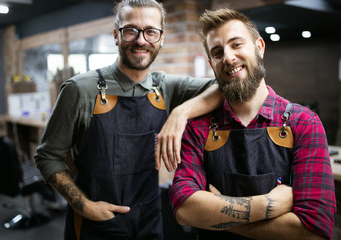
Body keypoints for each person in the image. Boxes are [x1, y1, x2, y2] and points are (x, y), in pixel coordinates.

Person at [34, 0, 221, 239]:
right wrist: (84, 205)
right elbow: (47, 156)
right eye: (131, 30)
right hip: (96, 225)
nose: (141, 40)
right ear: (116, 35)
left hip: (149, 219)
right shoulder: (80, 89)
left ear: (161, 39)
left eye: (151, 31)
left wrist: (180, 113)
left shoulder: (163, 87)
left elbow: (223, 86)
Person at [169, 8, 336, 240]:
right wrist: (268, 205)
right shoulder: (199, 128)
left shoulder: (303, 123)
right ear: (211, 62)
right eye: (218, 52)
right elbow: (185, 210)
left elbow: (315, 229)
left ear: (259, 47)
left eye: (236, 44)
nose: (228, 57)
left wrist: (213, 216)